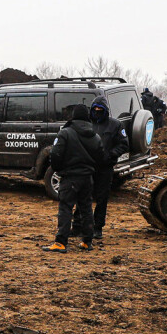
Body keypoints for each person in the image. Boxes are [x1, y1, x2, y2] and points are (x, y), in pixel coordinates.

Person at [42, 103, 103, 252]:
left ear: (73, 116)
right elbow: (100, 157)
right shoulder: (95, 136)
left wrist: (59, 169)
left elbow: (55, 154)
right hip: (87, 178)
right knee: (86, 209)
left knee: (65, 208)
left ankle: (61, 242)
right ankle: (87, 242)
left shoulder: (65, 133)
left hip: (70, 178)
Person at [87, 96, 129, 245]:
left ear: (105, 111)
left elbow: (124, 144)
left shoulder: (115, 125)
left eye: (100, 110)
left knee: (102, 198)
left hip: (105, 167)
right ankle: (80, 225)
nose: (97, 112)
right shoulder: (86, 124)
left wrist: (111, 155)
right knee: (83, 196)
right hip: (88, 166)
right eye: (95, 110)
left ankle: (98, 227)